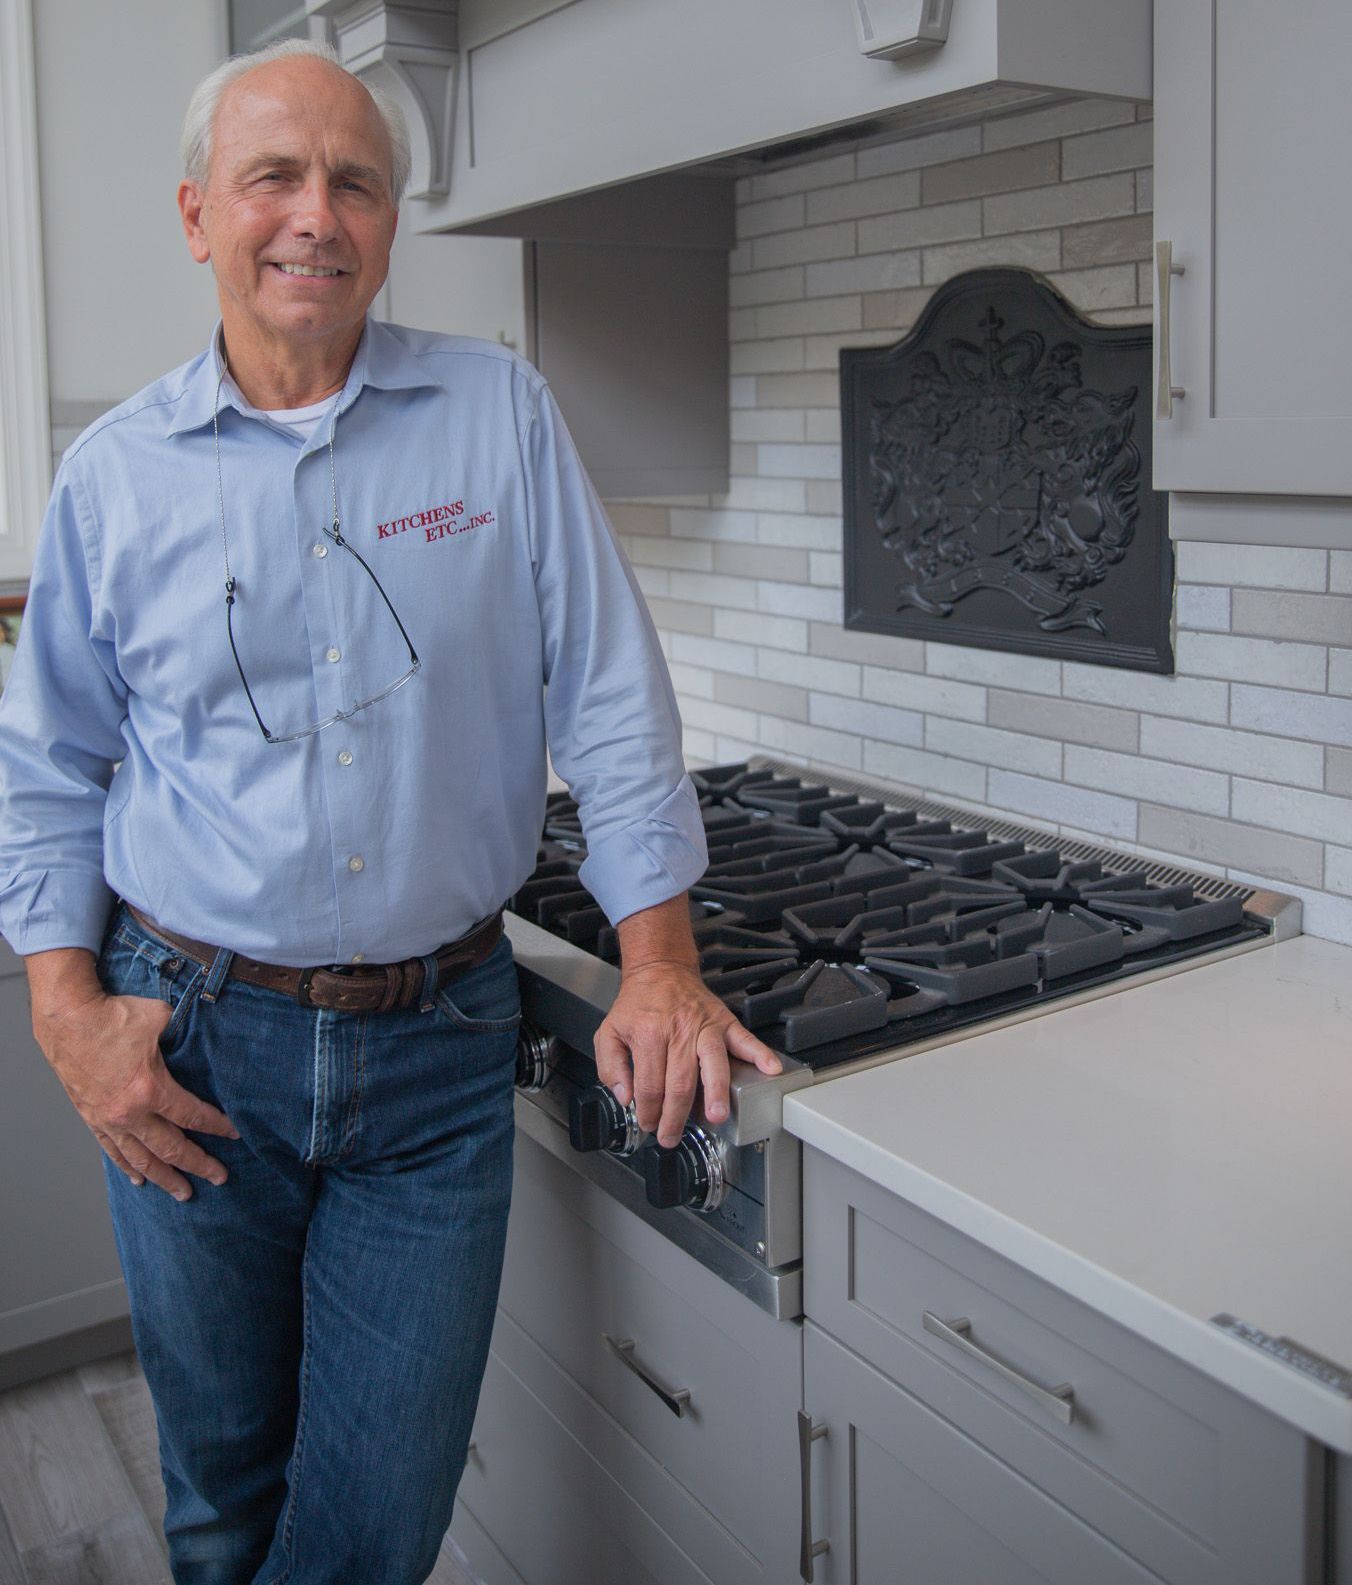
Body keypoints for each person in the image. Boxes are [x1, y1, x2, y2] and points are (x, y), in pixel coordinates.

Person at [0, 39, 780, 1585]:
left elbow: (610, 699)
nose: (316, 214)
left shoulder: (499, 414)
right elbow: (46, 767)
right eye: (273, 178)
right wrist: (64, 1010)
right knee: (223, 1496)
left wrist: (661, 959)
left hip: (438, 1052)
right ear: (197, 215)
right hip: (193, 1045)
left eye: (354, 182)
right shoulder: (114, 477)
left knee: (377, 1526)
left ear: (389, 223)